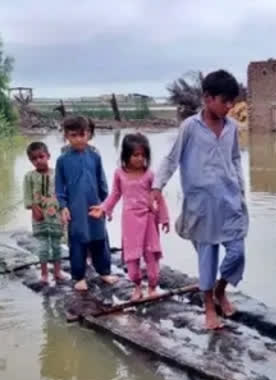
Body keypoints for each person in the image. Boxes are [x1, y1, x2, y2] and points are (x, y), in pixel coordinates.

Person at [151, 69, 248, 330]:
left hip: (229, 201)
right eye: (224, 101)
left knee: (237, 252)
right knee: (208, 256)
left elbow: (236, 159)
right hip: (201, 205)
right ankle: (208, 307)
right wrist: (157, 187)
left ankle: (220, 289)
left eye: (232, 101)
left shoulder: (231, 128)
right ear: (207, 98)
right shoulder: (190, 128)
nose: (229, 107)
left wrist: (241, 188)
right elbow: (172, 159)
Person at [90, 133, 170, 300]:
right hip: (130, 222)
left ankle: (153, 287)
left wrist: (164, 218)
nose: (139, 159)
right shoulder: (120, 174)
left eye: (143, 155)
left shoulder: (150, 175)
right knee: (132, 258)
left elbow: (159, 197)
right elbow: (115, 194)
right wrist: (104, 208)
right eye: (135, 155)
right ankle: (137, 286)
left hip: (148, 220)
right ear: (126, 155)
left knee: (151, 256)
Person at [56, 116, 117, 291]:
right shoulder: (63, 160)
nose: (78, 139)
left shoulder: (95, 157)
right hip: (75, 209)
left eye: (82, 135)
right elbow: (60, 187)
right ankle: (79, 276)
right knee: (77, 242)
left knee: (100, 239)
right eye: (73, 135)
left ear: (88, 134)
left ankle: (104, 271)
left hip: (95, 207)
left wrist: (107, 206)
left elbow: (102, 183)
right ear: (67, 136)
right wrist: (63, 206)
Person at [23, 142, 67, 285]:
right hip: (39, 217)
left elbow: (63, 194)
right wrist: (34, 208)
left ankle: (58, 271)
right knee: (42, 246)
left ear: (48, 156)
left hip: (56, 216)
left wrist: (63, 212)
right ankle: (44, 273)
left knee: (57, 245)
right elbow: (27, 197)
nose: (38, 161)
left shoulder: (57, 174)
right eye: (34, 159)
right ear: (30, 161)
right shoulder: (29, 176)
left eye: (41, 156)